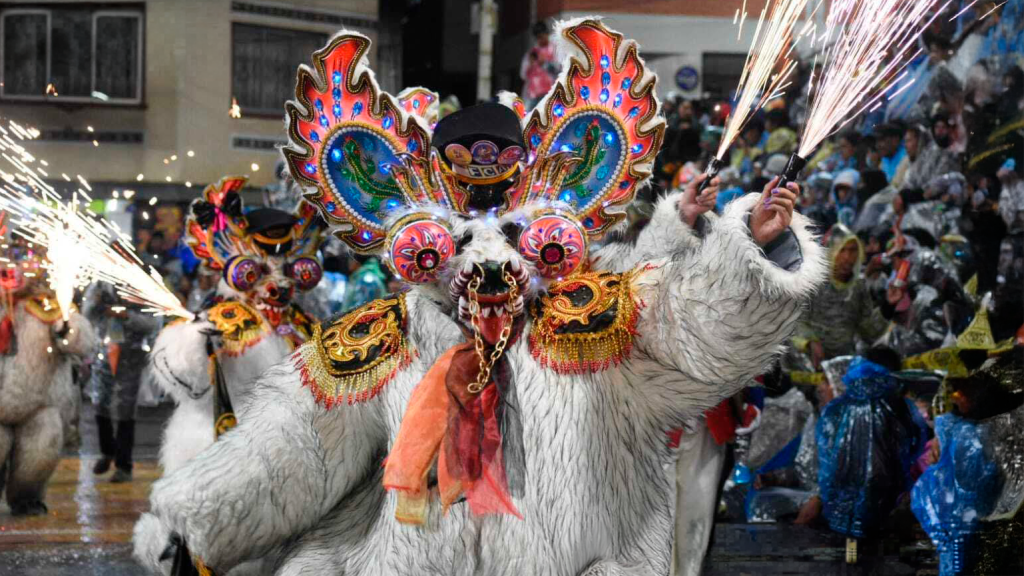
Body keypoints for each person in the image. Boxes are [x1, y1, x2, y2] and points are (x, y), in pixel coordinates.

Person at [134, 21, 827, 575]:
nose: (490, 264)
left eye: (512, 232)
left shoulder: (598, 321)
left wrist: (754, 250)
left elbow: (697, 324)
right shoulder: (384, 340)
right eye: (460, 237)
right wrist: (196, 517)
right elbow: (293, 449)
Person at [0, 241, 96, 514]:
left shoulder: (50, 308)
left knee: (40, 451)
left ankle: (27, 498)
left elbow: (83, 342)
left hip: (39, 404)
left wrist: (68, 331)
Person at [816, 347, 927, 541]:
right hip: (887, 509)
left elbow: (826, 458)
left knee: (849, 553)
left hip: (841, 510)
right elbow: (914, 449)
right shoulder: (900, 407)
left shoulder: (836, 408)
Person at [83, 280, 160, 483]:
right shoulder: (98, 285)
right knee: (100, 402)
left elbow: (153, 323)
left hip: (130, 354)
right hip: (103, 352)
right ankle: (107, 451)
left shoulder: (140, 285)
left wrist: (127, 316)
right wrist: (97, 305)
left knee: (126, 408)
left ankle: (124, 465)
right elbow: (86, 314)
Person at [795, 225, 888, 368]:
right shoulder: (813, 282)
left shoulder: (858, 286)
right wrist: (809, 342)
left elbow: (867, 331)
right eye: (842, 250)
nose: (847, 257)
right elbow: (795, 321)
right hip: (808, 363)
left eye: (852, 250)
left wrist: (888, 307)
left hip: (843, 363)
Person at [519, 21, 558, 109]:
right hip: (533, 96)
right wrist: (530, 64)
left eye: (542, 36)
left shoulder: (555, 50)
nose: (541, 40)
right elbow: (522, 75)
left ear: (547, 34)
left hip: (550, 94)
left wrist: (545, 63)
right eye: (538, 37)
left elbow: (560, 70)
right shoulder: (531, 53)